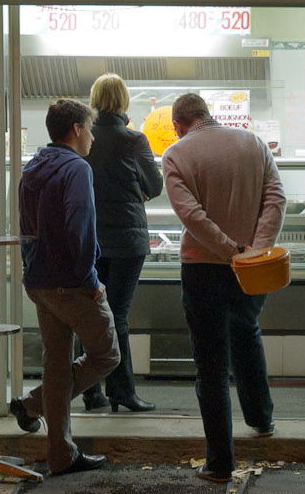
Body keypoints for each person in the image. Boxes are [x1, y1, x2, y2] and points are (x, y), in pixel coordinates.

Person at [160, 93, 286, 483]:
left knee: (211, 364)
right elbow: (276, 198)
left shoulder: (176, 153)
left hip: (203, 268)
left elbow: (192, 216)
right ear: (207, 114)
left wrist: (229, 250)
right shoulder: (252, 142)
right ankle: (262, 420)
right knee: (247, 334)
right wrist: (255, 250)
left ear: (179, 124)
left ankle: (219, 464)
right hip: (252, 267)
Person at [6, 99, 119, 476]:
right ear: (75, 129)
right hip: (71, 283)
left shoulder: (32, 167)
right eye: (89, 129)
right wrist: (89, 280)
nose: (91, 138)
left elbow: (26, 228)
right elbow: (80, 226)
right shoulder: (76, 169)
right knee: (107, 354)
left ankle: (62, 455)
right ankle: (34, 404)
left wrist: (31, 270)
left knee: (56, 364)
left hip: (39, 281)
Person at [80, 73, 164, 413]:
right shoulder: (133, 139)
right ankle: (123, 391)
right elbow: (155, 185)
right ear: (124, 101)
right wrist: (137, 191)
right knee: (118, 314)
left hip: (90, 238)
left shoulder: (82, 136)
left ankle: (89, 391)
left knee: (89, 313)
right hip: (128, 239)